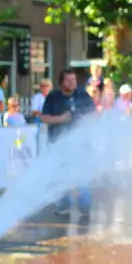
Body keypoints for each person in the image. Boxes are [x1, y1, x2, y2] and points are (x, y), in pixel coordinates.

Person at [41, 69, 96, 216]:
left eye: (74, 80)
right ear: (61, 82)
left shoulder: (83, 95)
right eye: (69, 80)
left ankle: (85, 207)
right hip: (58, 145)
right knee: (61, 176)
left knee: (81, 175)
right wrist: (61, 119)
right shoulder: (53, 97)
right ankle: (64, 206)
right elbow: (44, 118)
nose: (73, 83)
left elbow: (93, 115)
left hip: (80, 145)